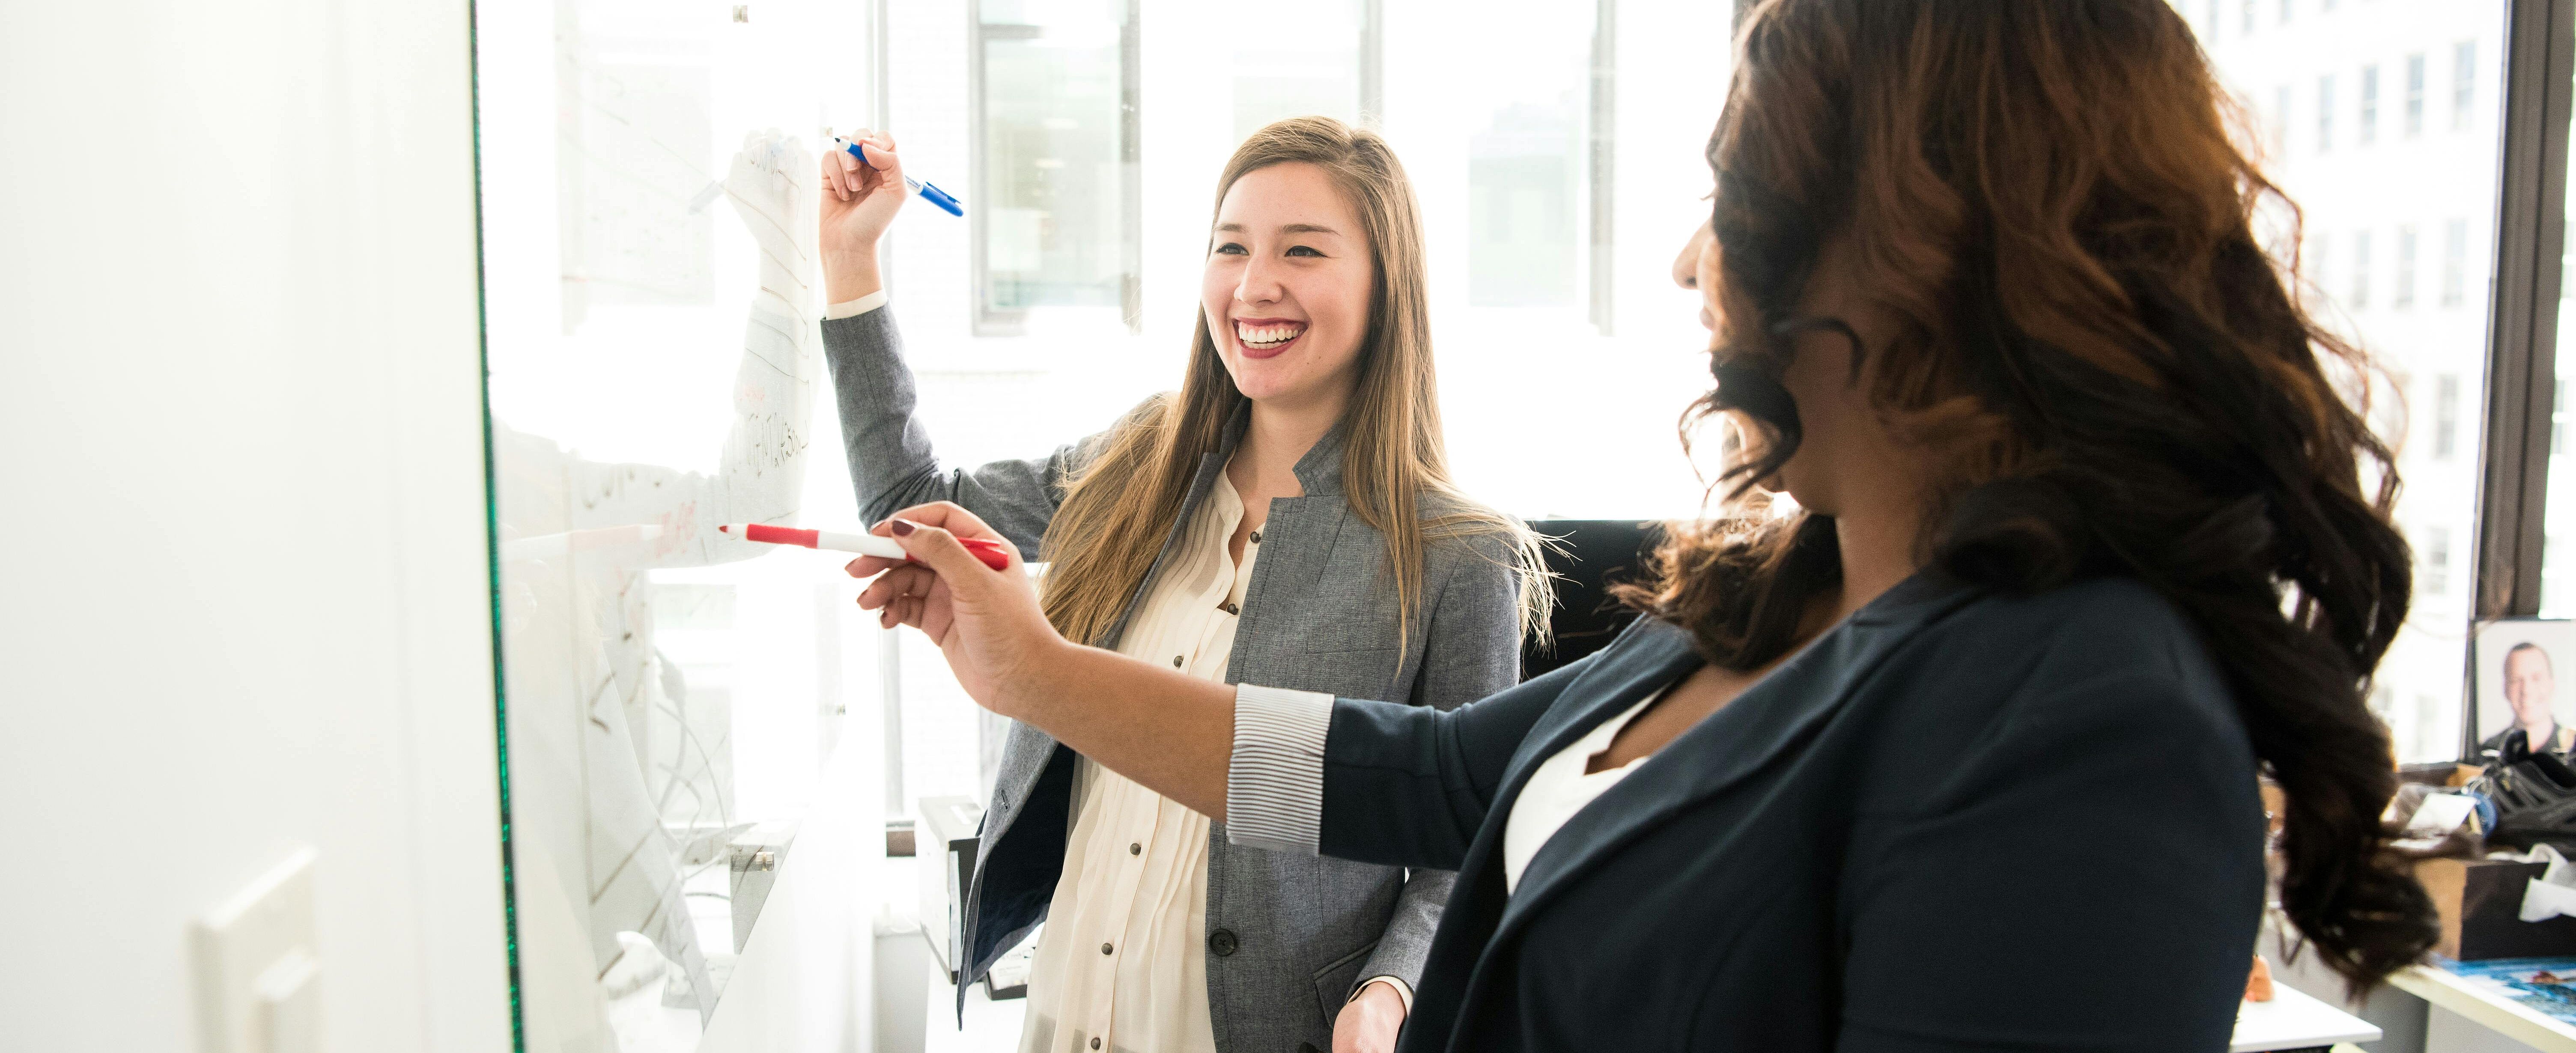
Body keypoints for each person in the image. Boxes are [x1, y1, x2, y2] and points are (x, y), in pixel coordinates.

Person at [847, 1, 2441, 1049]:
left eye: (1726, 192)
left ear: (1911, 241)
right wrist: (1032, 672)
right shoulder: (1761, 599)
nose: (1686, 263)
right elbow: (1433, 772)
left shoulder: (2078, 710)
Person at [816, 117, 1550, 1053]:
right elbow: (914, 507)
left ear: (1385, 285)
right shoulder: (1141, 463)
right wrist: (850, 260)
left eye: (1302, 251)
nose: (1253, 285)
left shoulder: (1455, 552)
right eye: (1230, 248)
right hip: (1068, 1012)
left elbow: (1470, 842)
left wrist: (1389, 986)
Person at [2483, 642, 2572, 754]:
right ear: (2505, 689)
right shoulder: (2486, 751)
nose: (2527, 690)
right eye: (2516, 680)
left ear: (2552, 684)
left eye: (2536, 678)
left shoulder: (2572, 749)